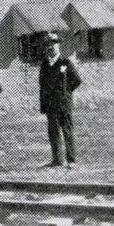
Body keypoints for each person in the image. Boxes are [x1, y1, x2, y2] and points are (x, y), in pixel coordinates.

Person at [38, 32, 82, 169]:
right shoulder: (45, 65)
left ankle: (71, 160)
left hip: (63, 104)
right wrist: (44, 104)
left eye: (53, 44)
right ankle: (57, 160)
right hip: (51, 105)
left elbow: (76, 80)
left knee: (67, 131)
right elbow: (42, 85)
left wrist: (65, 92)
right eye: (47, 45)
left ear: (58, 45)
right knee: (53, 132)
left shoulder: (65, 62)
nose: (50, 47)